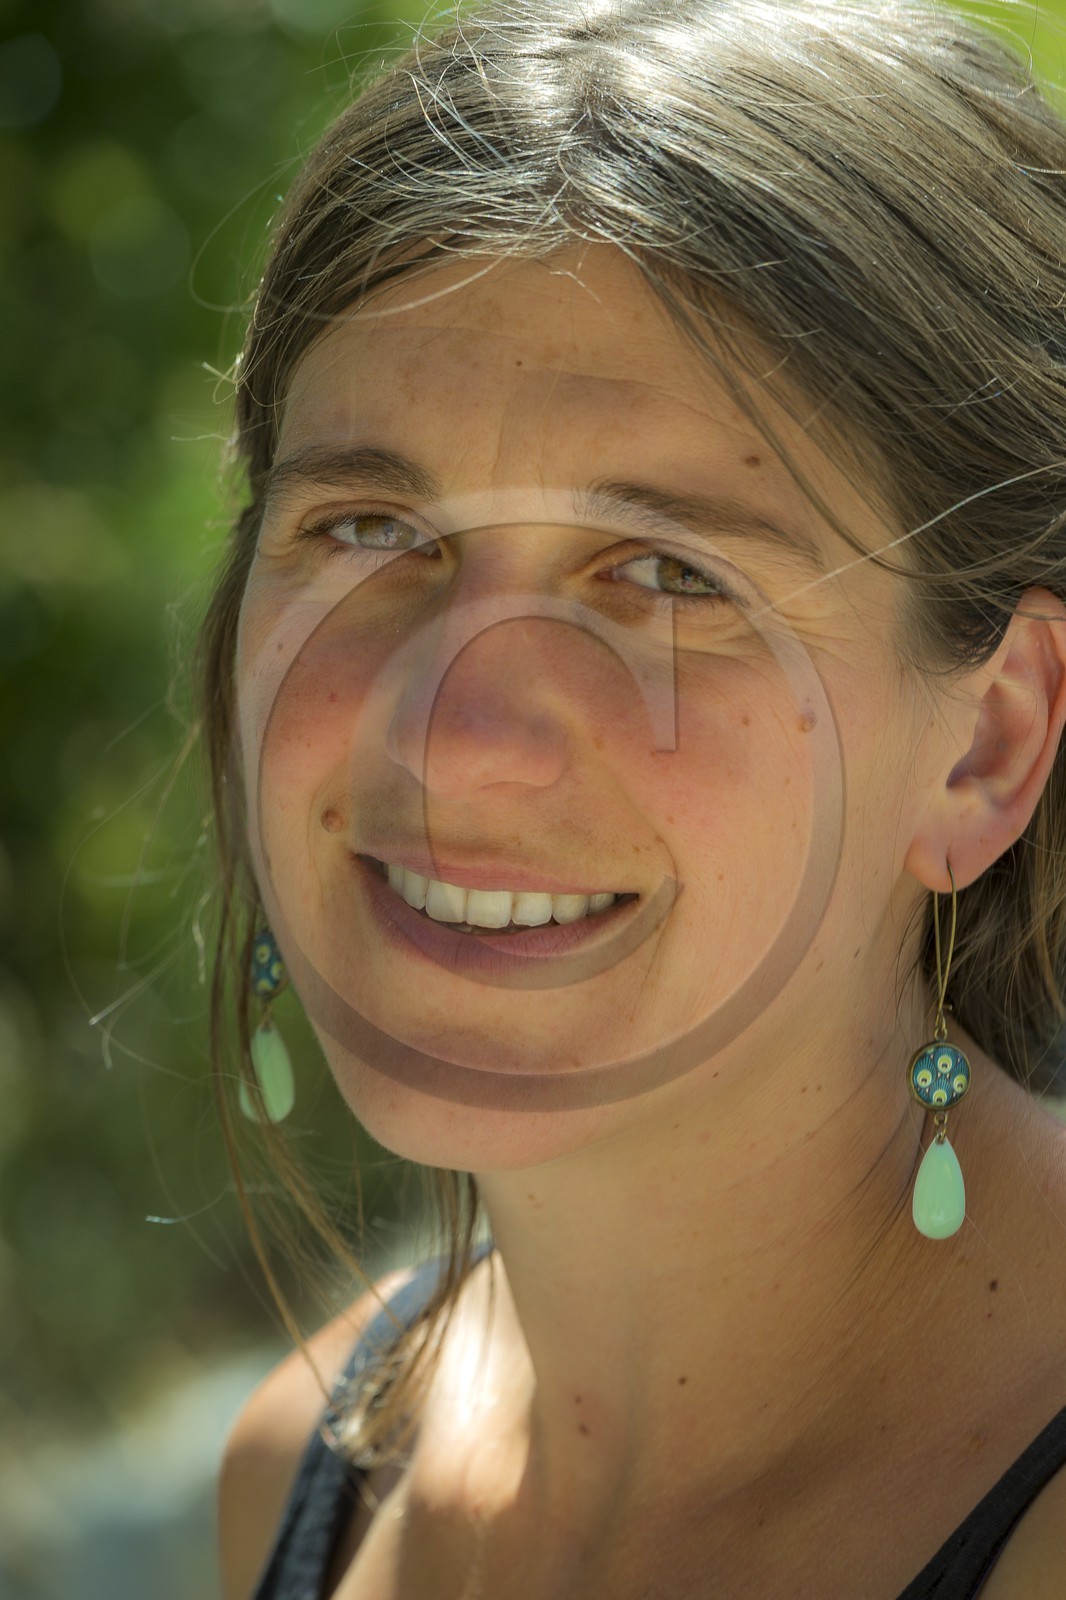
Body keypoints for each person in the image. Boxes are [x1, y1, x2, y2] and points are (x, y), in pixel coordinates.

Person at [209, 0, 1066, 1595]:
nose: (456, 736)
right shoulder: (299, 1482)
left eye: (666, 574)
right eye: (372, 532)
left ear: (985, 748)